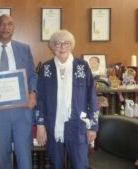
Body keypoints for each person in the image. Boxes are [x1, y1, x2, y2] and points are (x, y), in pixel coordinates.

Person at [0, 14, 38, 169]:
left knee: (24, 154)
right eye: (2, 24)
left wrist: (33, 93)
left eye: (9, 24)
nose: (6, 27)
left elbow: (32, 75)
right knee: (3, 155)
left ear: (13, 28)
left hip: (22, 111)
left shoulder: (24, 48)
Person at [36, 29, 99, 169]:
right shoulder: (46, 68)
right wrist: (40, 125)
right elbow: (40, 99)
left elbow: (91, 97)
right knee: (56, 165)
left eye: (66, 43)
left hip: (78, 125)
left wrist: (93, 127)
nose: (62, 47)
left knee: (80, 165)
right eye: (58, 44)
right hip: (53, 126)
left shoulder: (82, 66)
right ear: (52, 46)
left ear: (72, 46)